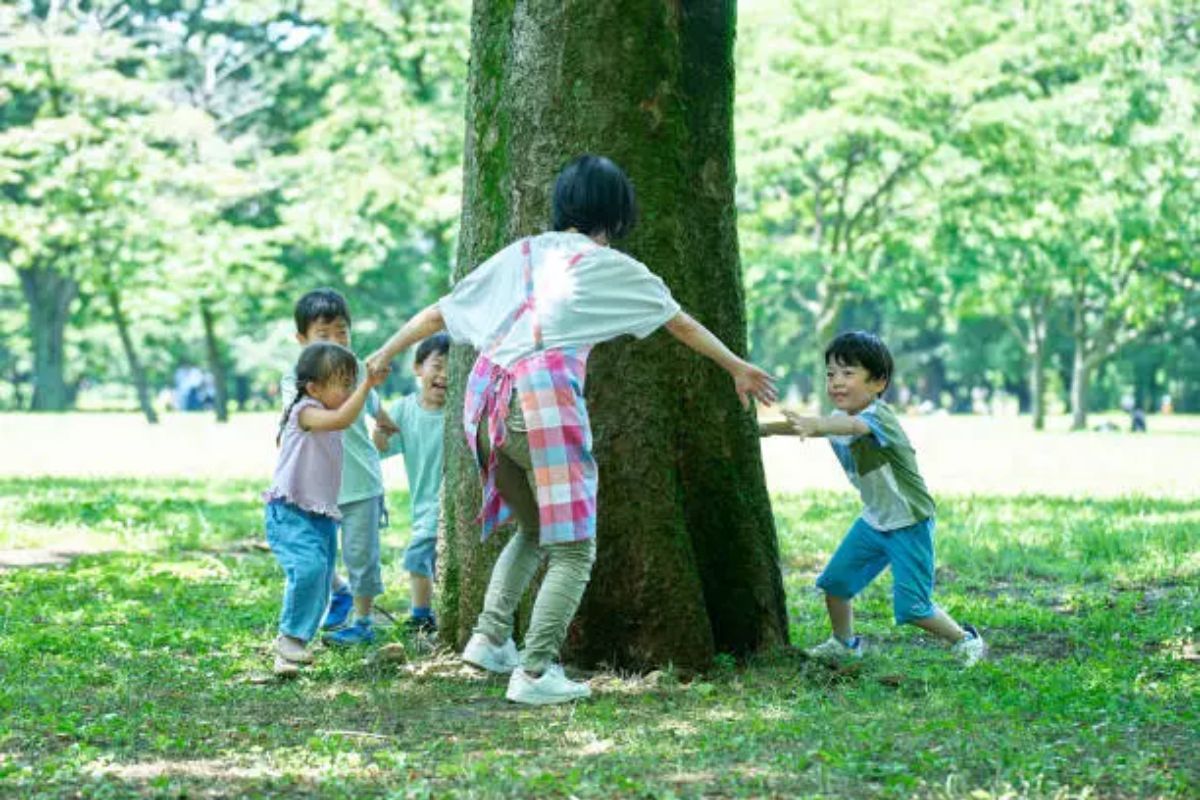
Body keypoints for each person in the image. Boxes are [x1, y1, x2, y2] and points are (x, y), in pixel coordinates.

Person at [367, 154, 777, 705]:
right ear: (619, 213)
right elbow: (677, 321)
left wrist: (384, 352)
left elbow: (441, 313)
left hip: (483, 402)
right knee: (574, 548)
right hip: (539, 404)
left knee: (534, 530)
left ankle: (489, 639)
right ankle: (535, 672)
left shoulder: (523, 253)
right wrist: (737, 367)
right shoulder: (609, 265)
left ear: (563, 204)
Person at [761, 331, 985, 667]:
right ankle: (844, 643)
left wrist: (818, 423)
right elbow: (815, 427)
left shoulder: (878, 417)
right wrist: (764, 430)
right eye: (830, 374)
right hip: (875, 519)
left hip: (910, 522)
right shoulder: (835, 421)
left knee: (913, 608)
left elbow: (854, 428)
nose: (836, 382)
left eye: (848, 373)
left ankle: (966, 640)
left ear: (878, 383)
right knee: (835, 583)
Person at [265, 342, 388, 676]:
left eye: (352, 382)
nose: (349, 389)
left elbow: (352, 420)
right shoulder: (306, 411)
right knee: (308, 568)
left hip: (319, 515)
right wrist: (366, 385)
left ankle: (295, 646)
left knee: (319, 577)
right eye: (343, 383)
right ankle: (288, 637)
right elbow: (341, 419)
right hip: (290, 511)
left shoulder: (324, 409)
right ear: (314, 388)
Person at [282, 289, 396, 647]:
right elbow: (326, 418)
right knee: (313, 552)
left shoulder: (359, 370)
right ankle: (339, 594)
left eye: (342, 332)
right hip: (315, 487)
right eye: (323, 334)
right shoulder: (298, 379)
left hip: (360, 483)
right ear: (302, 340)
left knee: (361, 555)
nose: (336, 341)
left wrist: (385, 422)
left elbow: (375, 408)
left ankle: (362, 621)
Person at [374, 334, 449, 634]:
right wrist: (380, 425)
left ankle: (424, 614)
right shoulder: (405, 409)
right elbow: (379, 447)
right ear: (419, 368)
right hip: (425, 503)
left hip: (459, 506)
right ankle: (423, 615)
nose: (444, 375)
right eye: (438, 365)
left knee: (424, 558)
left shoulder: (462, 409)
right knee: (422, 559)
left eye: (452, 368)